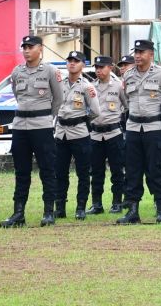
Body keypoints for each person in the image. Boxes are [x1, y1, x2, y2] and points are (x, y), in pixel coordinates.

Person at [0, 35, 64, 228]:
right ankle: (18, 213)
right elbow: (16, 95)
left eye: (30, 47)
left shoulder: (50, 71)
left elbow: (58, 99)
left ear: (40, 48)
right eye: (24, 47)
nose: (26, 51)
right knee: (21, 171)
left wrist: (45, 117)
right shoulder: (17, 71)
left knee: (47, 170)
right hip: (20, 126)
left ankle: (48, 212)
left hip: (42, 126)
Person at [117, 38, 161, 225]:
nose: (137, 55)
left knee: (156, 169)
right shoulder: (128, 75)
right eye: (135, 52)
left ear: (151, 54)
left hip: (154, 128)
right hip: (133, 128)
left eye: (141, 52)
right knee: (132, 170)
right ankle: (132, 211)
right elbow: (125, 99)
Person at [53, 51, 101, 220]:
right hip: (61, 133)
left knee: (83, 173)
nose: (72, 63)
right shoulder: (59, 84)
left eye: (76, 61)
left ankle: (81, 207)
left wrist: (81, 120)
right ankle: (60, 207)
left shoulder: (87, 87)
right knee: (60, 172)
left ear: (82, 65)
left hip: (80, 133)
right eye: (70, 61)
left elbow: (95, 111)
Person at [88, 55, 127, 215]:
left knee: (117, 171)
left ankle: (117, 202)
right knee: (96, 172)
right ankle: (96, 204)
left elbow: (127, 106)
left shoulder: (119, 86)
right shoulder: (91, 86)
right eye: (96, 67)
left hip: (113, 134)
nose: (98, 70)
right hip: (95, 134)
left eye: (101, 67)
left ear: (110, 68)